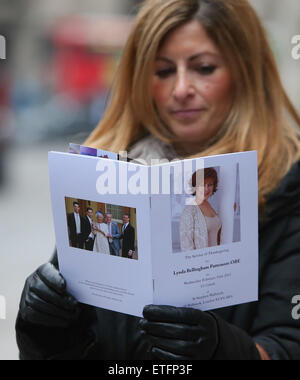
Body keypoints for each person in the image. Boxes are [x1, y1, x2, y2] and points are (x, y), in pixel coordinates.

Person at [16, 0, 300, 360]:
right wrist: (44, 328)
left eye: (204, 67)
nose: (181, 88)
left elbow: (288, 344)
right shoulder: (105, 173)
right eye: (163, 71)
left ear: (246, 71)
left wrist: (220, 349)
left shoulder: (288, 183)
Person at [180, 167, 222, 251]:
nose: (206, 189)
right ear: (195, 186)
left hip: (217, 259)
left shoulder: (209, 206)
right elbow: (186, 248)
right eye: (202, 185)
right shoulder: (189, 211)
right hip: (203, 262)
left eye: (209, 185)